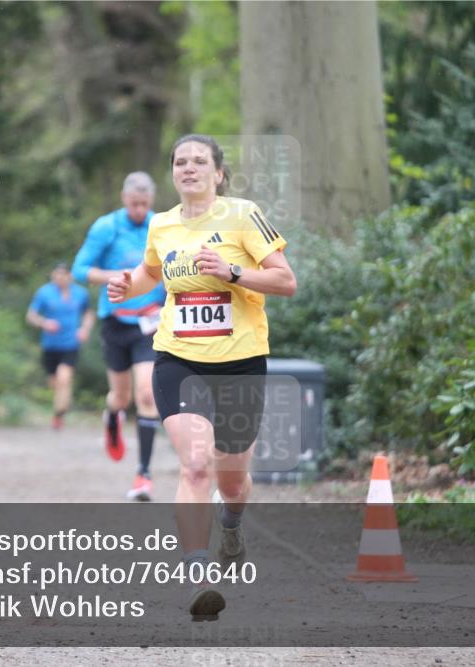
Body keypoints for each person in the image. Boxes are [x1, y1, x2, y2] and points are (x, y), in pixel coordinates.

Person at [108, 134, 296, 620]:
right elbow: (151, 274)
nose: (188, 168)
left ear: (217, 173)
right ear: (173, 173)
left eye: (199, 161)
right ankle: (197, 576)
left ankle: (230, 527)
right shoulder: (162, 223)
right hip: (178, 359)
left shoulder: (242, 215)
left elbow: (285, 281)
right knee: (195, 466)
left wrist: (233, 273)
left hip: (240, 363)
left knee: (232, 483)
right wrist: (127, 284)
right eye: (180, 162)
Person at [72, 172, 167, 501]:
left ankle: (143, 474)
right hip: (115, 321)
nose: (140, 209)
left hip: (150, 323)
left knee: (147, 395)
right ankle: (112, 414)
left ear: (151, 201)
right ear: (124, 199)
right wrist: (122, 277)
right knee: (120, 396)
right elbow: (80, 270)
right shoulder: (106, 227)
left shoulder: (161, 226)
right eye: (134, 204)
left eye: (145, 204)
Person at [25, 263, 95, 429]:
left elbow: (88, 314)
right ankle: (62, 404)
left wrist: (84, 329)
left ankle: (59, 414)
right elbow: (31, 315)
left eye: (63, 275)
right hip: (50, 345)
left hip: (71, 343)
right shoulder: (44, 292)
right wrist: (44, 322)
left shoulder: (81, 293)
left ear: (70, 276)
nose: (59, 278)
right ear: (52, 276)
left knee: (64, 378)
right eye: (56, 275)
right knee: (54, 383)